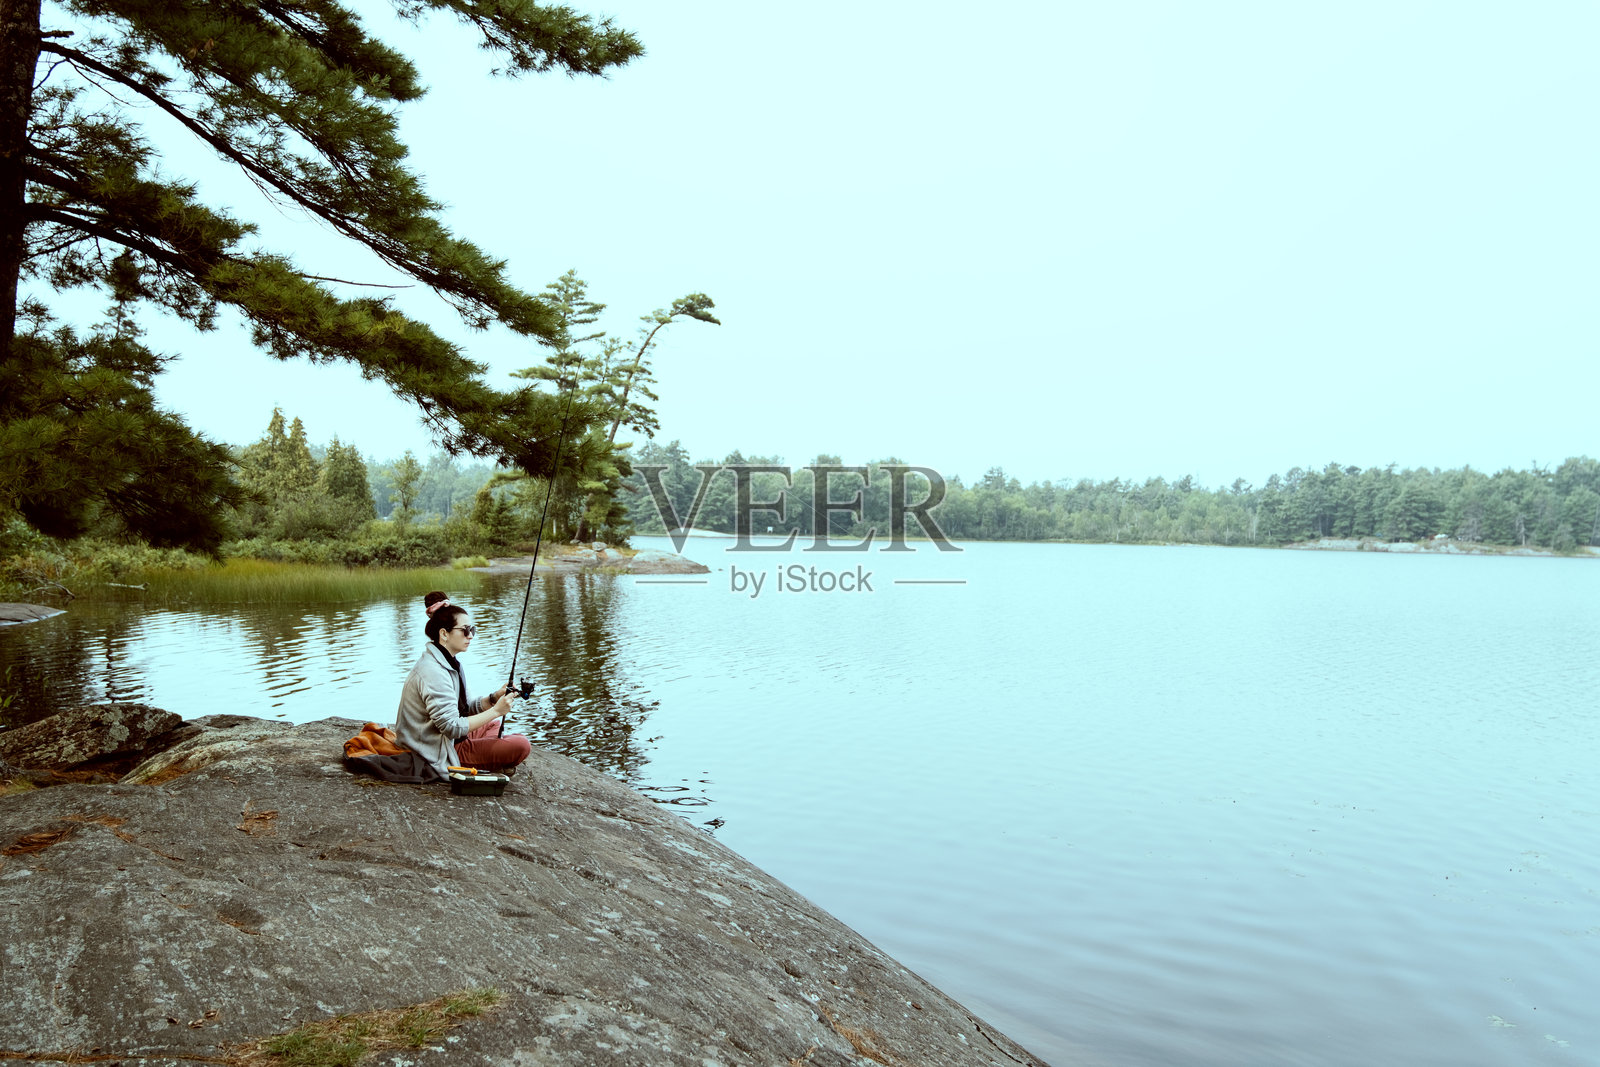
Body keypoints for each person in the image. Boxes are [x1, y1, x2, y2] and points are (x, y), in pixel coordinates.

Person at [393, 591, 533, 779]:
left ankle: (488, 758)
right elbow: (452, 727)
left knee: (492, 725)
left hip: (448, 739)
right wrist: (497, 710)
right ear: (444, 634)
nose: (471, 636)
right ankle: (483, 761)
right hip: (435, 750)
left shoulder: (449, 662)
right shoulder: (432, 672)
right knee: (521, 745)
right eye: (465, 630)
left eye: (472, 630)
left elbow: (465, 708)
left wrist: (493, 698)